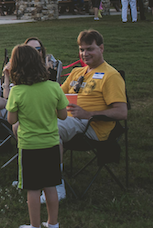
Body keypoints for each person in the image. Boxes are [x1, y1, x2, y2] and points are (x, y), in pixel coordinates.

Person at [56, 29, 127, 201]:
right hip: (68, 119)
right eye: (81, 49)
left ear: (101, 48)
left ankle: (55, 187)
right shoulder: (77, 72)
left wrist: (89, 114)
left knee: (48, 130)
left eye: (90, 49)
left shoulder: (111, 75)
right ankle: (31, 176)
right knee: (27, 124)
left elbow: (121, 112)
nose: (84, 54)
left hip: (91, 126)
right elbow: (55, 95)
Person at [0, 38, 53, 169]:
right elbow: (8, 97)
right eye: (30, 49)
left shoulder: (46, 69)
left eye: (37, 49)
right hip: (15, 107)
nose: (34, 52)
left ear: (42, 52)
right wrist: (7, 75)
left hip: (31, 110)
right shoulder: (20, 69)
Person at [6, 44, 68, 228]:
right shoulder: (54, 87)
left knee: (32, 188)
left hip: (29, 146)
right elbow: (63, 115)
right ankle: (53, 223)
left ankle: (34, 225)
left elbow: (11, 119)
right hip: (51, 144)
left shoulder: (17, 91)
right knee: (50, 186)